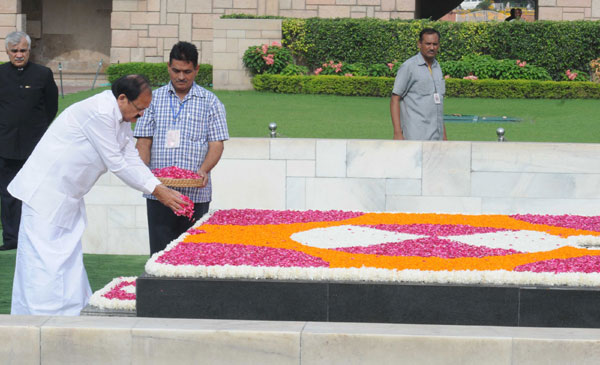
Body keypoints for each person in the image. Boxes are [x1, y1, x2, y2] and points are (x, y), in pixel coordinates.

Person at [7, 75, 187, 315]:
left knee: (67, 262)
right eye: (139, 108)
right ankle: (42, 319)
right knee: (43, 265)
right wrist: (157, 191)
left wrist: (159, 187)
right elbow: (116, 163)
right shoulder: (100, 113)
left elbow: (130, 157)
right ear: (122, 99)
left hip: (67, 197)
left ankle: (70, 314)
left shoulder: (120, 118)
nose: (141, 115)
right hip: (44, 195)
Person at [134, 41, 229, 256]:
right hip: (159, 192)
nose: (181, 77)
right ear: (168, 67)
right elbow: (143, 141)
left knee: (192, 257)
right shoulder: (152, 99)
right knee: (161, 255)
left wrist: (203, 170)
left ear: (196, 69)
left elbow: (216, 144)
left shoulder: (210, 102)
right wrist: (144, 173)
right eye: (176, 70)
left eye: (187, 71)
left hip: (196, 193)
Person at [0, 31, 58, 251]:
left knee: (36, 192)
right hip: (4, 144)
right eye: (14, 51)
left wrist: (37, 130)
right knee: (7, 193)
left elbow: (51, 106)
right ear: (7, 52)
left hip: (34, 145)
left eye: (23, 50)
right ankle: (11, 238)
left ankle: (36, 237)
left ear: (29, 51)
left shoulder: (43, 74)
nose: (18, 55)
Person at [390, 28, 447, 141]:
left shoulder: (437, 67)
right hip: (415, 135)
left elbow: (438, 106)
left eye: (435, 44)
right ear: (419, 44)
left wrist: (444, 136)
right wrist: (397, 133)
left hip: (436, 136)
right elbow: (395, 99)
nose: (432, 48)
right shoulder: (409, 67)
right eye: (428, 44)